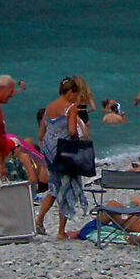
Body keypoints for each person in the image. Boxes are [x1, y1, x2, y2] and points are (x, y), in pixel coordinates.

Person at [38, 77, 93, 240]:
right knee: (66, 188)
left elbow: (41, 132)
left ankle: (39, 219)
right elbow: (72, 131)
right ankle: (61, 231)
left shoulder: (49, 107)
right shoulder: (71, 108)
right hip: (65, 153)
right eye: (75, 94)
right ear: (70, 92)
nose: (76, 97)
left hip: (50, 152)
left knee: (54, 187)